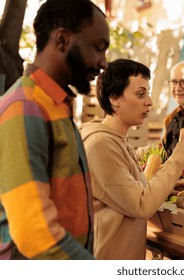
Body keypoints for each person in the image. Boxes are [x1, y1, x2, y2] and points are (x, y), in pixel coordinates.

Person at [0, 0, 110, 260]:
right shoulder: (26, 107)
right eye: (98, 48)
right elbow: (34, 233)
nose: (103, 62)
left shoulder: (55, 105)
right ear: (62, 40)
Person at [78, 59, 184, 260]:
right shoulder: (102, 144)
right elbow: (142, 205)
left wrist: (169, 183)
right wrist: (182, 151)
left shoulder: (114, 138)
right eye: (141, 94)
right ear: (115, 98)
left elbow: (129, 190)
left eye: (148, 93)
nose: (149, 101)